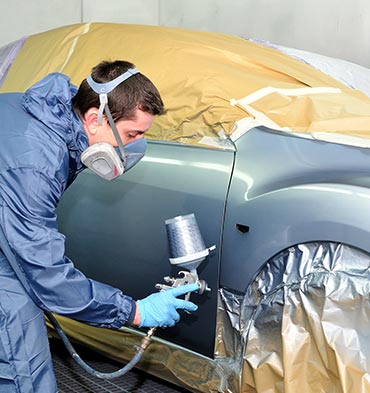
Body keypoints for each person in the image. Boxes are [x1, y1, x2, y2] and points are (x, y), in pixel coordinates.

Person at [0, 60, 199, 392]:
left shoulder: (50, 113)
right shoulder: (34, 165)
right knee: (23, 366)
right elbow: (47, 277)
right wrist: (133, 312)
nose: (133, 148)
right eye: (132, 134)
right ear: (95, 117)